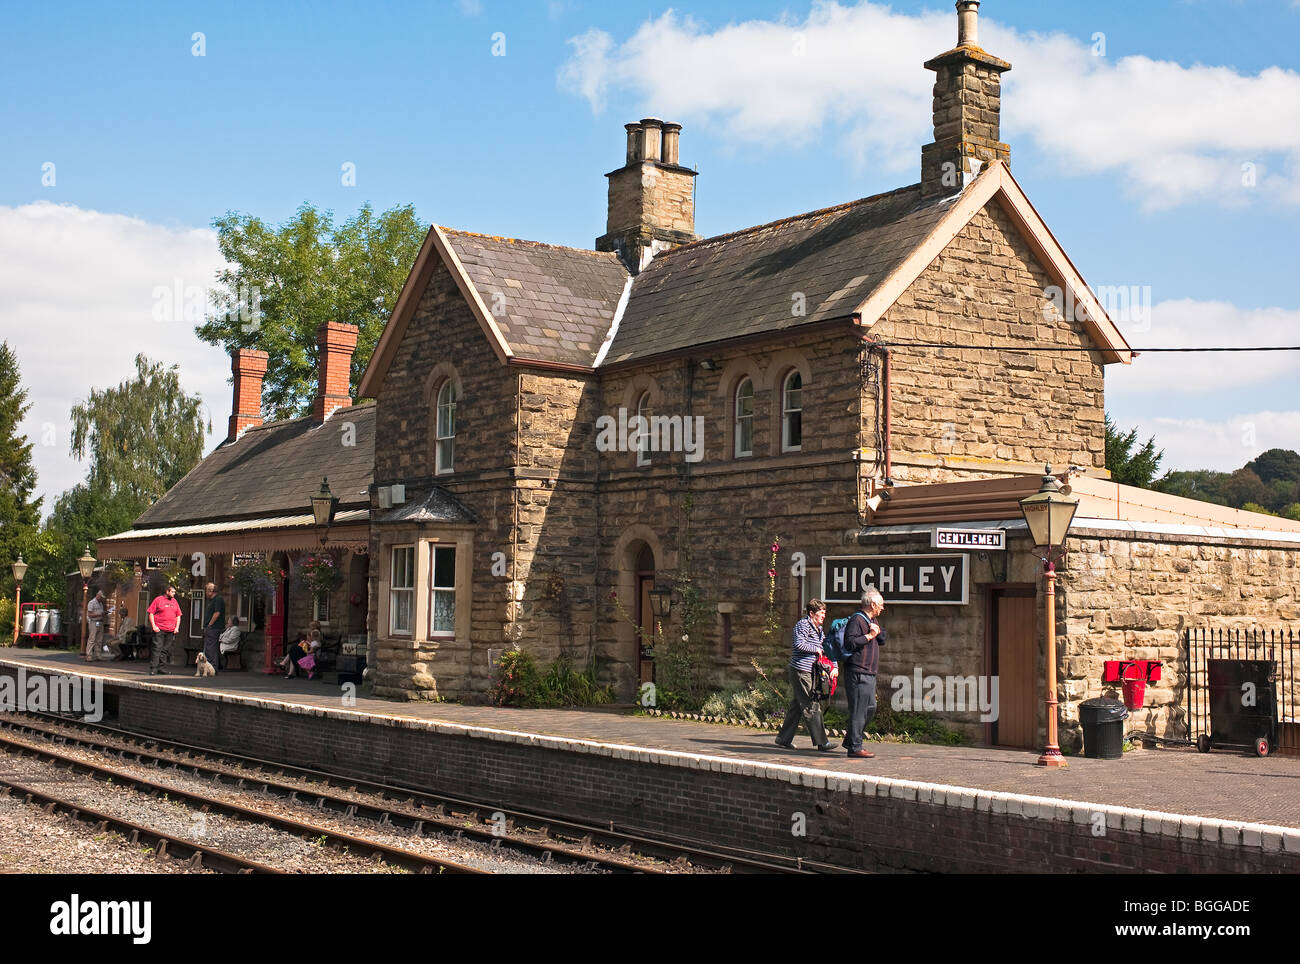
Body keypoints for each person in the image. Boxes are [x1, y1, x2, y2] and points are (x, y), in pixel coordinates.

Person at [774, 599, 834, 752]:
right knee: (811, 703)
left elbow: (825, 647)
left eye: (824, 613)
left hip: (810, 672)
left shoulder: (818, 629)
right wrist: (816, 649)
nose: (823, 616)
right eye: (821, 613)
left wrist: (835, 665)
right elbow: (798, 644)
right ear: (812, 613)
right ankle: (822, 742)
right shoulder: (803, 625)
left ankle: (783, 738)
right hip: (800, 670)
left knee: (797, 705)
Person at [841, 589, 886, 759]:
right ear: (873, 604)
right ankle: (855, 747)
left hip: (869, 672)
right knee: (859, 709)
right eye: (881, 605)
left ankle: (851, 739)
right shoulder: (857, 620)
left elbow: (883, 639)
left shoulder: (872, 620)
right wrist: (869, 635)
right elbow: (850, 643)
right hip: (858, 671)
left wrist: (877, 632)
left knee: (870, 707)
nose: (882, 608)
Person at [147, 585, 183, 676]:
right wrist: (154, 626)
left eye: (174, 592)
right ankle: (153, 668)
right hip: (159, 629)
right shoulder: (158, 600)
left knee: (165, 650)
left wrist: (177, 627)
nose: (174, 594)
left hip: (170, 630)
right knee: (157, 648)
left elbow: (178, 615)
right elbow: (151, 613)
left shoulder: (174, 602)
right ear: (167, 591)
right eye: (172, 592)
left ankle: (161, 668)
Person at [202, 583, 226, 675]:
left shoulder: (218, 600)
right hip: (211, 627)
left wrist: (209, 625)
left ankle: (212, 668)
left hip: (214, 628)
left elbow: (217, 613)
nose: (206, 593)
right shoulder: (212, 600)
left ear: (211, 591)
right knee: (209, 647)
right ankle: (210, 668)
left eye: (207, 591)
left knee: (211, 648)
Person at [85, 590, 107, 661]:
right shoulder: (92, 603)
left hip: (100, 622)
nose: (102, 599)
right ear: (98, 595)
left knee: (99, 640)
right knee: (92, 639)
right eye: (101, 597)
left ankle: (98, 655)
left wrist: (104, 614)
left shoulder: (100, 604)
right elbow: (89, 614)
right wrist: (100, 614)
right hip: (93, 622)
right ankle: (88, 655)